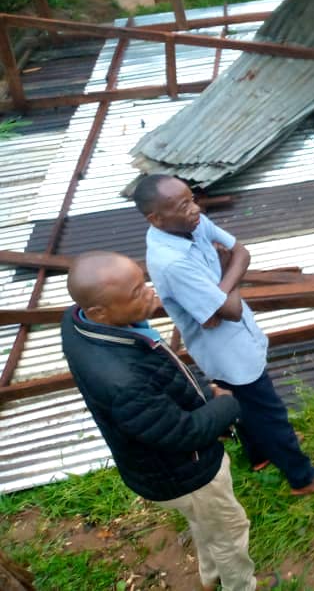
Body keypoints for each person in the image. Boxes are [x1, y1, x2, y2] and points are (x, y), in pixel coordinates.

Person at [133, 174, 314, 496]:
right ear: (157, 218)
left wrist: (222, 287)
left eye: (192, 199)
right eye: (184, 205)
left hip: (233, 336)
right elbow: (230, 309)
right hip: (226, 350)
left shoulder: (189, 223)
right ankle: (303, 477)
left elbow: (243, 253)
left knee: (243, 402)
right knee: (269, 411)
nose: (195, 209)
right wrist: (226, 273)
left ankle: (259, 454)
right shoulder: (172, 263)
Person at [61, 252, 259, 591]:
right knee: (230, 530)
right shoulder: (123, 383)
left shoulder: (78, 321)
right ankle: (240, 586)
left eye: (143, 283)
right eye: (136, 293)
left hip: (159, 470)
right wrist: (226, 405)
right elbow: (183, 433)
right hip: (187, 474)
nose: (150, 294)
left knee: (205, 524)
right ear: (100, 312)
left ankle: (210, 578)